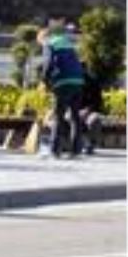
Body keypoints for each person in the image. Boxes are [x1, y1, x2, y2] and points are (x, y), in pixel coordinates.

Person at [41, 19, 85, 158]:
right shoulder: (68, 43)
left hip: (63, 81)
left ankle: (55, 150)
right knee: (75, 116)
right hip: (78, 81)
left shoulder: (50, 44)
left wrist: (45, 81)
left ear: (44, 38)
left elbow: (48, 64)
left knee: (58, 116)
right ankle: (76, 150)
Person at [79, 67, 104, 155]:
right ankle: (78, 144)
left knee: (95, 119)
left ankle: (91, 145)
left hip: (90, 111)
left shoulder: (94, 83)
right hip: (74, 110)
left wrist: (88, 110)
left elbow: (98, 102)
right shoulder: (73, 83)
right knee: (71, 117)